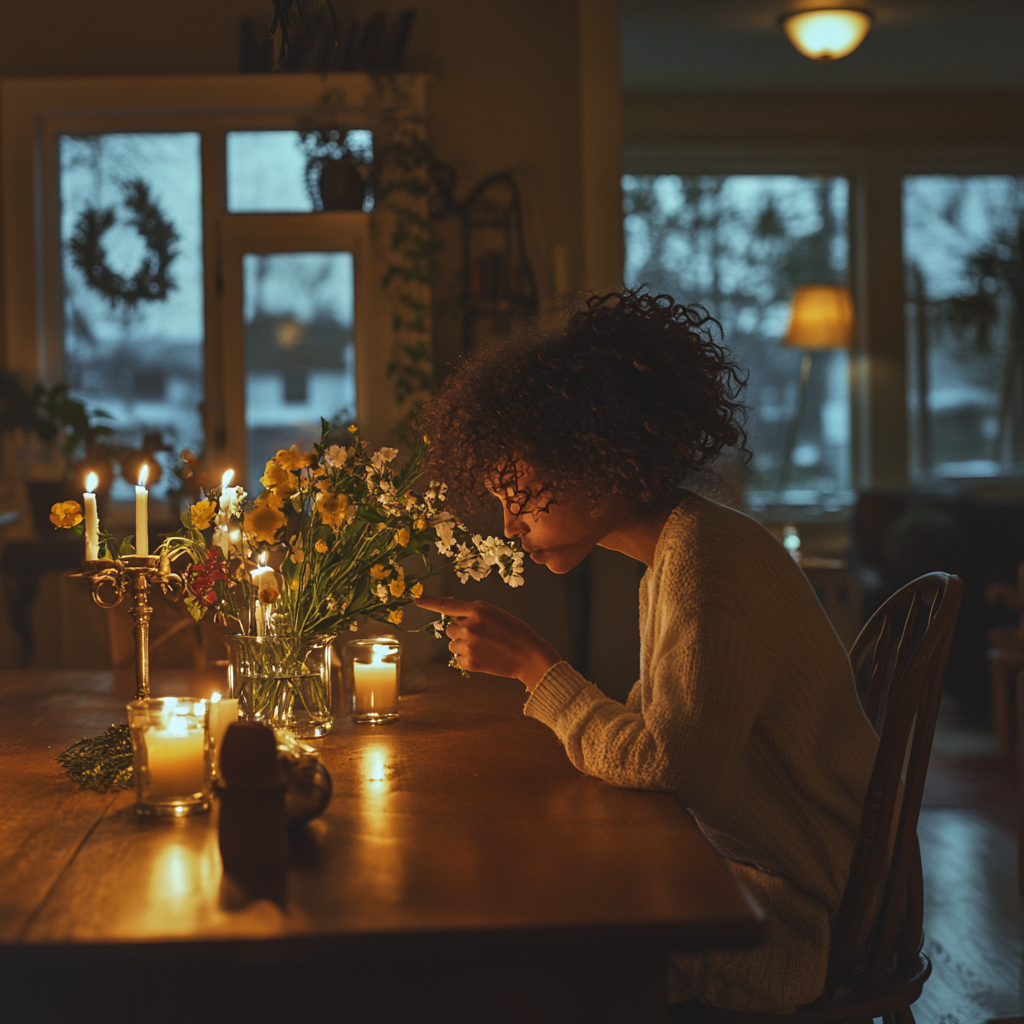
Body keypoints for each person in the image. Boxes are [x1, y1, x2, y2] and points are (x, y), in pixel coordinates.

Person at [413, 289, 878, 1013]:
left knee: (511, 949)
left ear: (598, 459)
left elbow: (672, 763)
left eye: (522, 495)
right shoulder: (673, 554)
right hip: (765, 879)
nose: (509, 527)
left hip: (797, 916)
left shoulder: (704, 558)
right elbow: (656, 729)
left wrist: (539, 668)